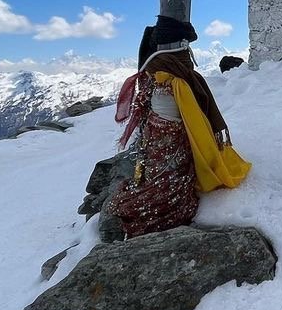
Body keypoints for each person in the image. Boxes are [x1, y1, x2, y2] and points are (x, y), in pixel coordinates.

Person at [104, 33, 250, 239]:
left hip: (158, 138)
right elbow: (197, 125)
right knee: (169, 177)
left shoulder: (162, 83)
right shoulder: (177, 83)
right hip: (169, 139)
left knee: (159, 172)